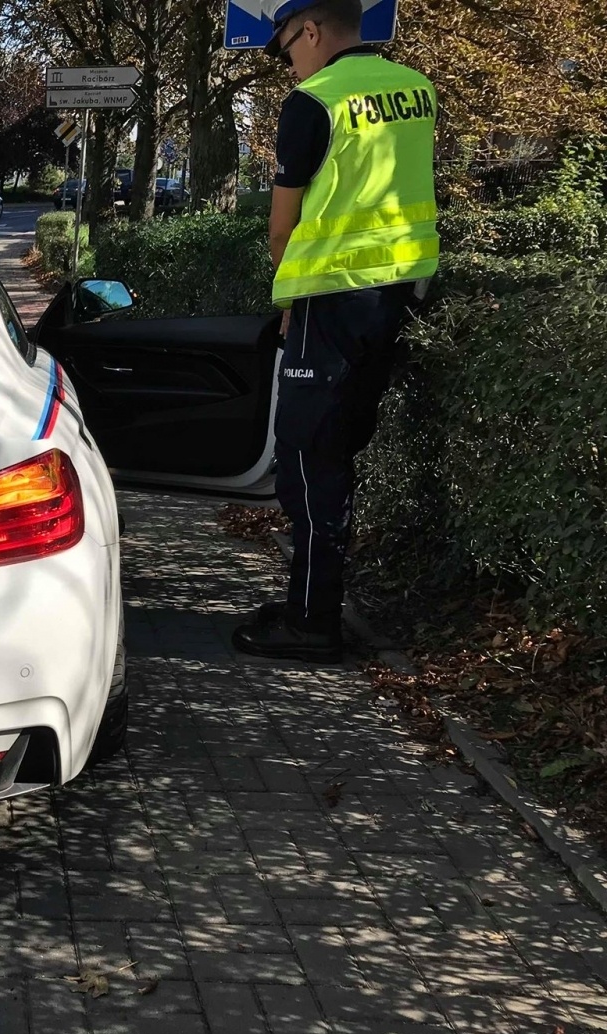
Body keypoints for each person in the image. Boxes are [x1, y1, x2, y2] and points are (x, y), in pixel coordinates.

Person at [231, 0, 438, 663]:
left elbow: (283, 228)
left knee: (305, 460)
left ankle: (313, 623)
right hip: (397, 297)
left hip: (331, 300)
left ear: (313, 31)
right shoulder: (417, 91)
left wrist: (292, 293)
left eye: (288, 45)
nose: (288, 61)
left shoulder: (314, 102)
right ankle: (308, 602)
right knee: (338, 448)